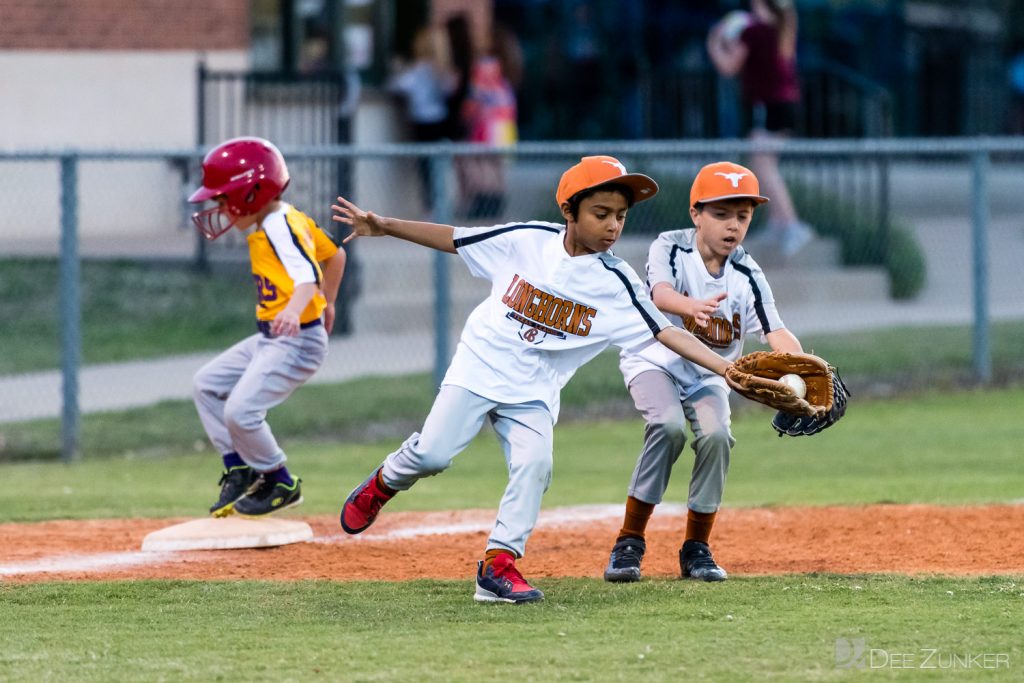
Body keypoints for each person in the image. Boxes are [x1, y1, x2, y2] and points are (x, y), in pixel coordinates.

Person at [331, 156, 737, 604]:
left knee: (536, 467)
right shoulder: (526, 240)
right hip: (480, 365)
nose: (612, 226)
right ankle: (384, 482)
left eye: (620, 216)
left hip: (535, 389)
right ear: (569, 211)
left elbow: (664, 330)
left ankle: (498, 565)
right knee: (432, 454)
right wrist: (385, 225)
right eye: (600, 214)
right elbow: (454, 238)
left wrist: (726, 369)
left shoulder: (616, 280)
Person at [603, 161, 805, 584]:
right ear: (695, 213)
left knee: (717, 436)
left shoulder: (747, 272)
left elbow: (775, 329)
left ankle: (697, 547)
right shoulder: (671, 247)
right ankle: (629, 542)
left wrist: (802, 367)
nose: (733, 225)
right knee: (668, 425)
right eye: (721, 213)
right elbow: (658, 294)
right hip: (652, 358)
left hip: (710, 374)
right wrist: (688, 306)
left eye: (743, 216)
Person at [189, 136, 347, 517]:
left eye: (224, 199)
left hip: (295, 341)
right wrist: (331, 302)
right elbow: (336, 254)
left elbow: (307, 275)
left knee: (240, 411)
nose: (220, 208)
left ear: (250, 193)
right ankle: (239, 468)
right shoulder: (286, 218)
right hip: (273, 339)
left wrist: (298, 309)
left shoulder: (279, 225)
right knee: (206, 384)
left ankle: (279, 481)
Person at [707, 0, 812, 257]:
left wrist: (714, 42)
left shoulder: (754, 31)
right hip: (785, 105)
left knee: (764, 165)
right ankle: (778, 223)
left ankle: (791, 224)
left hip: (768, 106)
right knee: (762, 163)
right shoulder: (783, 26)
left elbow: (728, 67)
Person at [388, 25, 458, 210]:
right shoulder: (443, 70)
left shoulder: (418, 69)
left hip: (423, 122)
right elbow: (451, 89)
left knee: (426, 168)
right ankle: (441, 206)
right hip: (440, 120)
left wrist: (398, 69)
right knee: (439, 166)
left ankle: (432, 207)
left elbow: (396, 86)